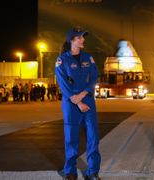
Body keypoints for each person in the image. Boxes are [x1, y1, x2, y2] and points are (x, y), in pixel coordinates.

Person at [55, 27, 101, 180]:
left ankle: (93, 172)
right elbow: (63, 84)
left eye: (83, 37)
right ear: (72, 40)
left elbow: (94, 77)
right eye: (80, 37)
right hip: (71, 103)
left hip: (87, 99)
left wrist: (84, 94)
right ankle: (70, 172)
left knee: (93, 136)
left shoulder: (88, 57)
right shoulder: (62, 60)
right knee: (71, 138)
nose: (83, 40)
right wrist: (77, 101)